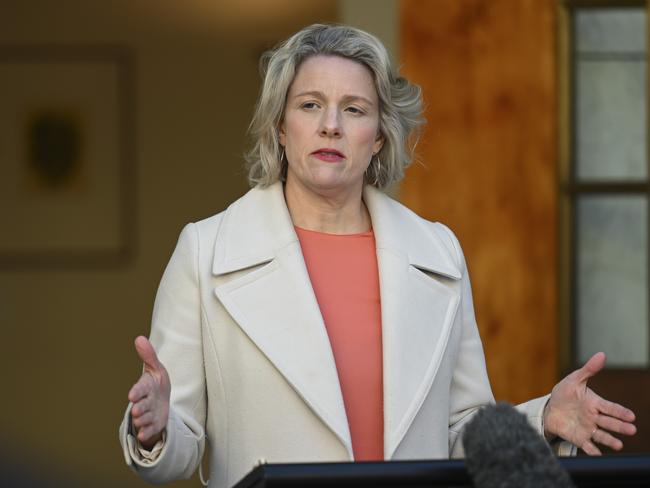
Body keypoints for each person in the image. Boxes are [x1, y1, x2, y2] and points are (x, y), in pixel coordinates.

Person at [119, 24, 637, 488]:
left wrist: (543, 417)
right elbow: (176, 452)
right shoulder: (206, 251)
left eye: (354, 109)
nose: (330, 125)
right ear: (280, 128)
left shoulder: (438, 253)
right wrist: (159, 424)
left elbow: (461, 431)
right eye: (309, 105)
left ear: (379, 137)